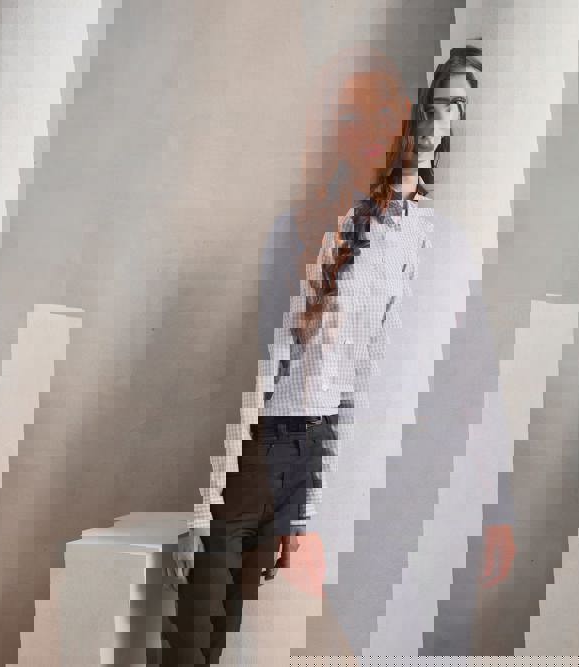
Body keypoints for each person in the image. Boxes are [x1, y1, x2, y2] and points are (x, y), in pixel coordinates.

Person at [156, 46, 488, 666]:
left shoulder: (420, 235)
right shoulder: (351, 212)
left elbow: (392, 338)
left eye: (453, 113)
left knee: (257, 566)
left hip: (330, 423)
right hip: (285, 412)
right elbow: (293, 316)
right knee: (221, 554)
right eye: (436, 108)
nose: (436, 128)